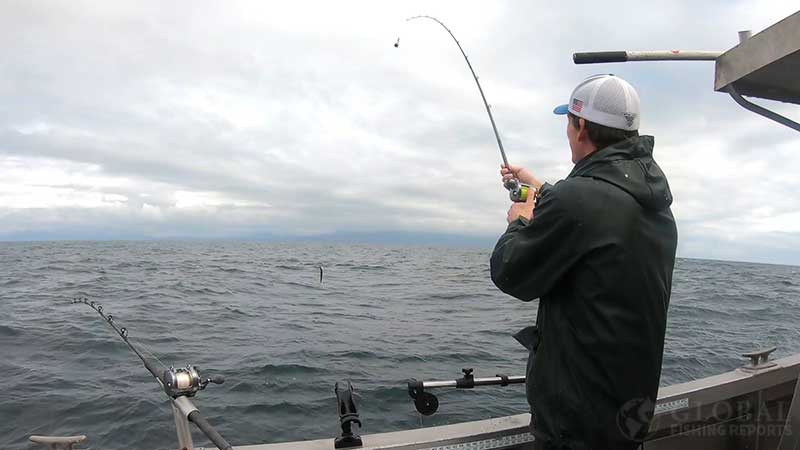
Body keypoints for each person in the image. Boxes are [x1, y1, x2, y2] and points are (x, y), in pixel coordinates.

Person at [490, 74, 678, 450]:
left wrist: (520, 221)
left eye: (568, 122)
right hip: (625, 415)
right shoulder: (652, 204)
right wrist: (540, 188)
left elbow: (510, 272)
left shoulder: (579, 200)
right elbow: (593, 217)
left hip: (576, 424)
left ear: (581, 129)